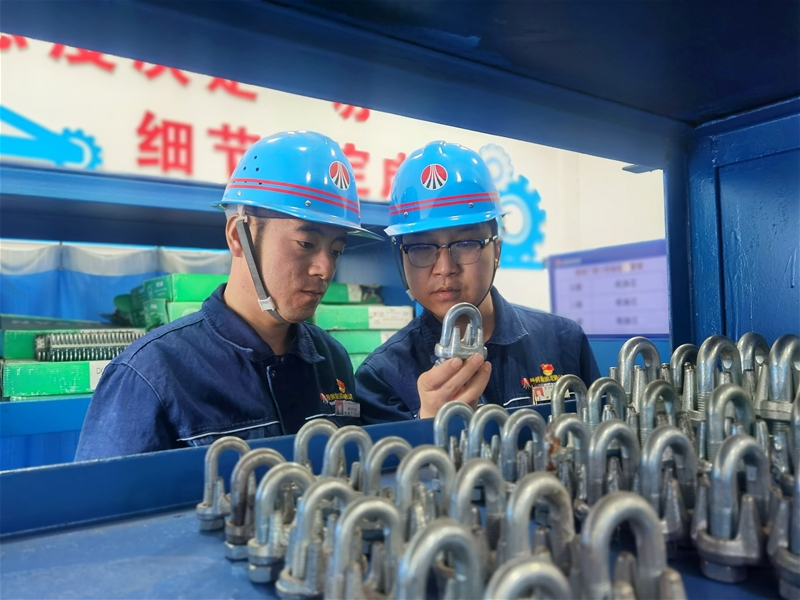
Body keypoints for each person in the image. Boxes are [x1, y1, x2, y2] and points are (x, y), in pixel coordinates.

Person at [76, 131, 381, 460]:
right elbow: (107, 493)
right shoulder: (151, 374)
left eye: (336, 250)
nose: (325, 268)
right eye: (305, 244)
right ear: (238, 236)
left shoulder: (331, 359)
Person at [356, 141, 600, 422]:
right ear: (402, 257)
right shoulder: (381, 378)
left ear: (496, 251)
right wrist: (428, 423)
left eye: (465, 244)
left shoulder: (564, 342)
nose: (445, 269)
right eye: (422, 247)